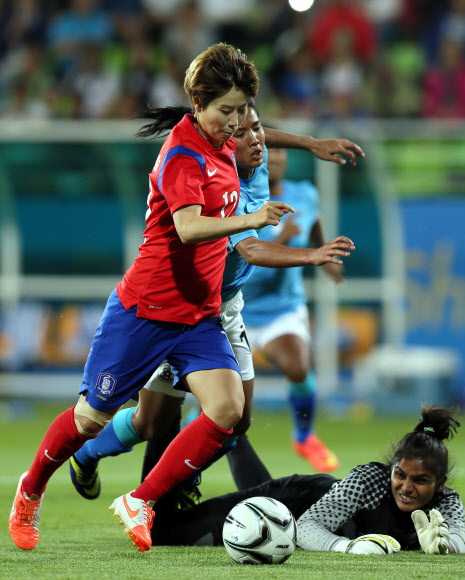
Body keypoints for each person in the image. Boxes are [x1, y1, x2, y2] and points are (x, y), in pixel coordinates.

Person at [8, 42, 296, 554]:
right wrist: (251, 220)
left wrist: (308, 142)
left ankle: (140, 500)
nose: (235, 123)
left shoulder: (225, 142)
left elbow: (259, 133)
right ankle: (29, 491)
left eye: (241, 112)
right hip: (146, 311)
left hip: (199, 317)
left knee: (228, 411)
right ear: (198, 104)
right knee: (87, 421)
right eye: (225, 112)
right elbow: (186, 229)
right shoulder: (183, 155)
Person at [68, 100, 359, 502]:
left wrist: (309, 143)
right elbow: (253, 250)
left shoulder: (254, 161)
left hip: (224, 308)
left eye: (258, 128)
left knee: (236, 420)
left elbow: (256, 134)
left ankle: (182, 481)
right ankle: (87, 453)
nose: (259, 140)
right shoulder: (225, 189)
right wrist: (311, 256)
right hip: (177, 310)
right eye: (243, 132)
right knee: (151, 423)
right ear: (224, 140)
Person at [147, 404, 465, 556]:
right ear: (391, 468)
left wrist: (444, 548)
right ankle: (169, 406)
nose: (406, 487)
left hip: (288, 520)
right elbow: (307, 528)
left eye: (421, 480)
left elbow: (458, 541)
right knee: (160, 533)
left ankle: (233, 440)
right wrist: (348, 548)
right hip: (291, 500)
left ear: (439, 484)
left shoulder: (448, 502)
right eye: (400, 474)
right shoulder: (370, 480)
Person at [241, 146, 342, 473]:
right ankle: (188, 440)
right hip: (235, 311)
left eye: (282, 154)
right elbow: (248, 269)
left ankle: (304, 436)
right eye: (272, 154)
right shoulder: (240, 199)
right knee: (220, 404)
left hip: (283, 309)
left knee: (298, 366)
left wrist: (323, 253)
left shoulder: (304, 193)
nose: (278, 160)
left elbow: (312, 222)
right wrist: (282, 239)